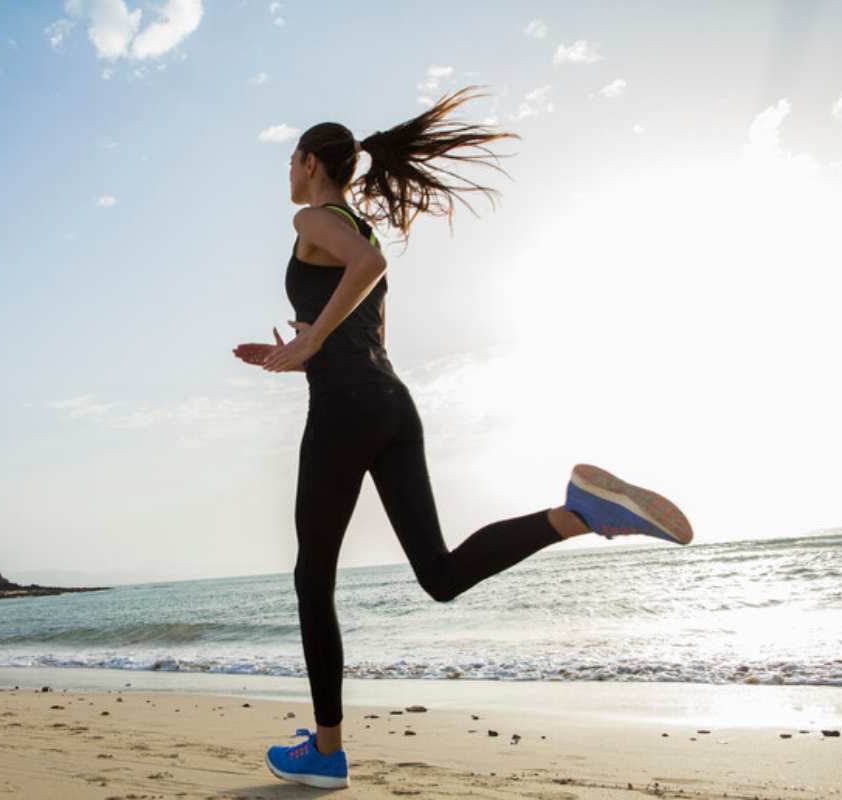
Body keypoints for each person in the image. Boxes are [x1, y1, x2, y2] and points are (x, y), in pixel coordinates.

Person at [231, 85, 694, 790]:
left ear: (309, 163)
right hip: (390, 404)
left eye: (290, 160)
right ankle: (577, 513)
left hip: (348, 408)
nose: (287, 173)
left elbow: (369, 272)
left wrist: (311, 343)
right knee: (440, 576)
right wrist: (292, 349)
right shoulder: (357, 225)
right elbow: (364, 328)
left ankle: (326, 751)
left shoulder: (314, 218)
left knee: (311, 578)